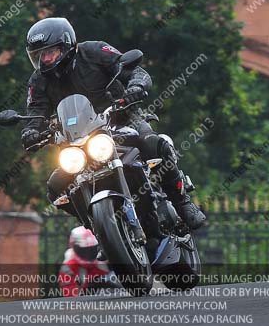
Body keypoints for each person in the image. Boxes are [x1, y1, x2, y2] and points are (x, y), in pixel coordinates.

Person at [20, 17, 206, 230]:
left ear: (65, 45)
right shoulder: (39, 80)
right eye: (39, 55)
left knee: (153, 144)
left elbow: (132, 70)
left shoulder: (94, 51)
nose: (45, 60)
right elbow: (36, 111)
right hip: (77, 142)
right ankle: (99, 229)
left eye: (49, 52)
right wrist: (31, 131)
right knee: (56, 188)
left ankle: (182, 203)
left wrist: (136, 86)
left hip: (120, 120)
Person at [58, 226, 119, 297]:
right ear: (74, 246)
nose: (88, 254)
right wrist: (88, 288)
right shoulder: (67, 268)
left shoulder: (102, 259)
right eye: (84, 251)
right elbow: (71, 298)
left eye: (92, 250)